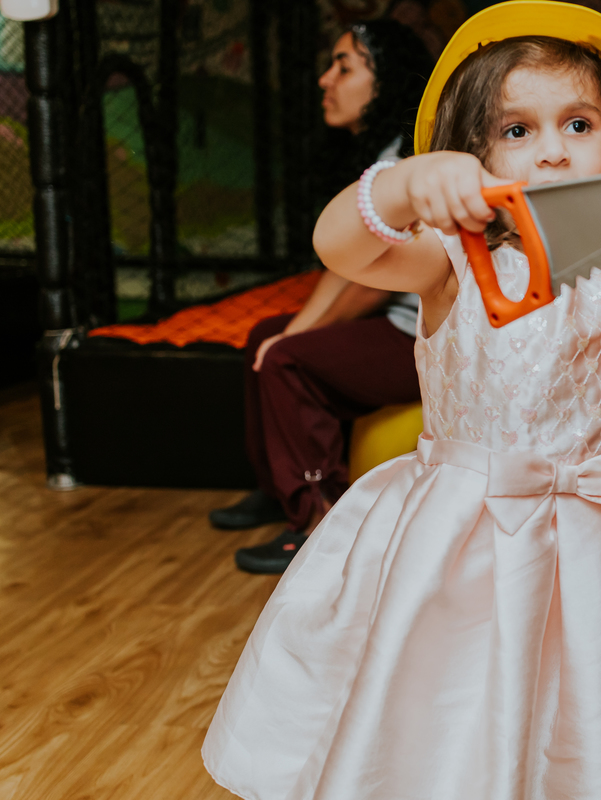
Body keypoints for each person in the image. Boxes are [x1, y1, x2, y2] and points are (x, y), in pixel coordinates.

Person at [203, 2, 601, 797]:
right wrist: (405, 183)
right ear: (470, 151)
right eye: (517, 131)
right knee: (452, 701)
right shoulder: (445, 259)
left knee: (587, 699)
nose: (552, 153)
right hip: (464, 534)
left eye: (579, 125)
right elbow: (338, 243)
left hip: (591, 526)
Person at [209, 19, 435, 575]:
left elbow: (367, 284)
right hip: (392, 321)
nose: (324, 80)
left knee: (285, 358)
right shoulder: (383, 149)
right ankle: (277, 487)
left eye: (344, 66)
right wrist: (292, 329)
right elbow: (346, 264)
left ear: (386, 82)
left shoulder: (411, 157)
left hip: (423, 336)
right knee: (267, 336)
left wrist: (298, 339)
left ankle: (317, 520)